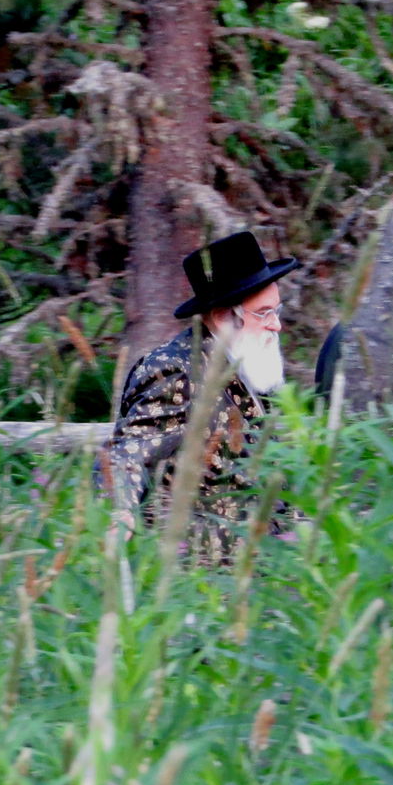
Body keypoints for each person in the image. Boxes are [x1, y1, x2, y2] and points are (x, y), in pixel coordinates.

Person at [103, 230, 298, 561]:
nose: (276, 325)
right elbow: (129, 453)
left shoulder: (253, 365)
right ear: (223, 317)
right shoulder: (174, 371)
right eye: (264, 313)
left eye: (276, 311)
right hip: (199, 577)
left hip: (263, 570)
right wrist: (119, 512)